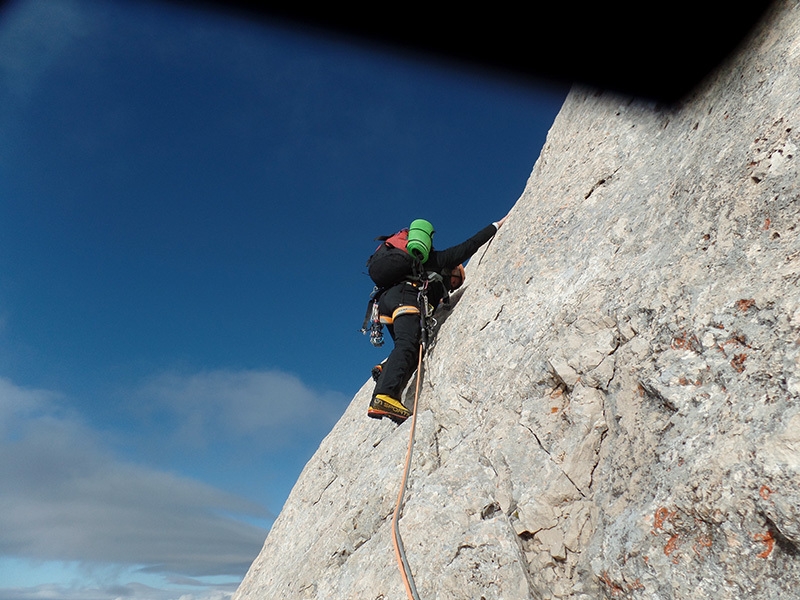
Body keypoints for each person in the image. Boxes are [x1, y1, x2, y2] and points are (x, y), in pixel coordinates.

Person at [367, 214, 508, 423]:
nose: (453, 286)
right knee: (408, 343)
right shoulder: (438, 261)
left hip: (387, 302)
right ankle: (384, 395)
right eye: (455, 281)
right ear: (453, 270)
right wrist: (498, 225)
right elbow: (471, 245)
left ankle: (386, 368)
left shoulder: (419, 270)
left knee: (411, 346)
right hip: (405, 297)